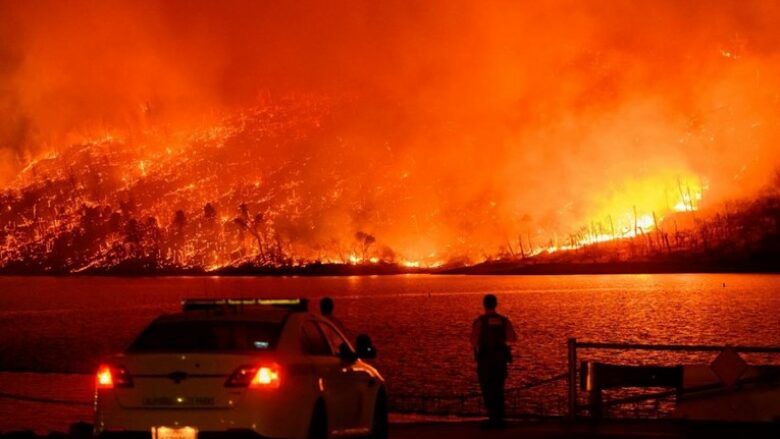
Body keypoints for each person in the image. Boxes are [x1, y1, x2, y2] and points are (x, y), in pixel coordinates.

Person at [470, 294, 517, 428]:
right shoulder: (504, 320)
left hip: (485, 361)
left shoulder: (480, 321)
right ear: (496, 304)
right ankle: (499, 418)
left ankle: (492, 418)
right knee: (499, 388)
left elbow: (473, 341)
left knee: (487, 389)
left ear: (484, 305)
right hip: (500, 360)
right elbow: (513, 339)